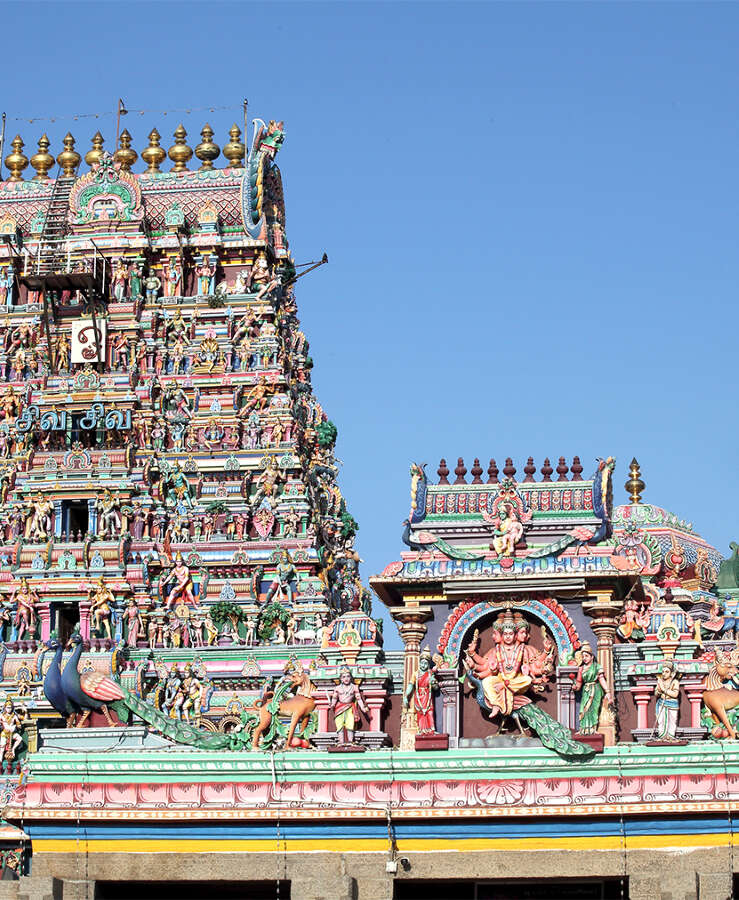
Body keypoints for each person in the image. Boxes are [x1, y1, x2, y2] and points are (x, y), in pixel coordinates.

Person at [574, 642, 613, 735]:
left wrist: (607, 691)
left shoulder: (596, 667)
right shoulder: (581, 669)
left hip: (595, 690)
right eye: (583, 656)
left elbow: (602, 679)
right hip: (586, 690)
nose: (584, 658)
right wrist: (574, 687)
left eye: (586, 656)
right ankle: (583, 729)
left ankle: (593, 729)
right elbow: (578, 684)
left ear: (592, 656)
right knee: (583, 709)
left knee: (593, 710)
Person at [329, 666, 369, 745]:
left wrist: (362, 707)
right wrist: (332, 704)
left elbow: (359, 699)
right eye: (343, 677)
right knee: (339, 725)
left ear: (350, 677)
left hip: (350, 708)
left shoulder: (354, 687)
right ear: (341, 679)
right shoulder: (337, 688)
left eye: (348, 676)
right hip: (339, 708)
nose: (346, 678)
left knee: (350, 724)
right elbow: (334, 698)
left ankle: (350, 741)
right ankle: (341, 742)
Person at [403, 647, 437, 734]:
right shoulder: (415, 674)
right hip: (419, 697)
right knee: (420, 713)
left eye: (425, 663)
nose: (423, 665)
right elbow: (410, 685)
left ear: (428, 664)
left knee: (429, 712)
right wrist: (406, 697)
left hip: (427, 696)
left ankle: (431, 730)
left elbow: (436, 688)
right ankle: (421, 730)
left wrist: (433, 683)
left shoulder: (430, 673)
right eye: (422, 663)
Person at [654, 660, 681, 742]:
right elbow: (656, 693)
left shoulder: (674, 682)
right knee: (661, 720)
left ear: (671, 673)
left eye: (667, 672)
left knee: (672, 720)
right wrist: (659, 691)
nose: (664, 674)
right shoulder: (661, 681)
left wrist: (663, 689)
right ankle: (662, 736)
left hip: (672, 704)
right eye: (663, 671)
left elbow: (675, 694)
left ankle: (670, 736)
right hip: (662, 703)